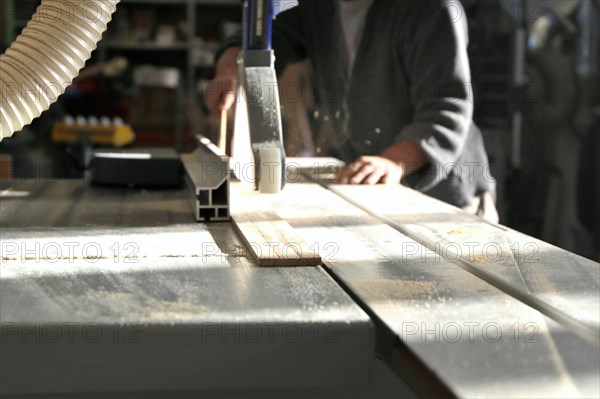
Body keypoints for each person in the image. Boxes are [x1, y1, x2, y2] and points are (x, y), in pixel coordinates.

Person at [207, 0, 498, 221]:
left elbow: (448, 106)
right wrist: (232, 69)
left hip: (445, 199)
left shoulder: (430, 8)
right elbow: (267, 38)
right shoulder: (321, 8)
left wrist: (395, 162)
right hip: (372, 194)